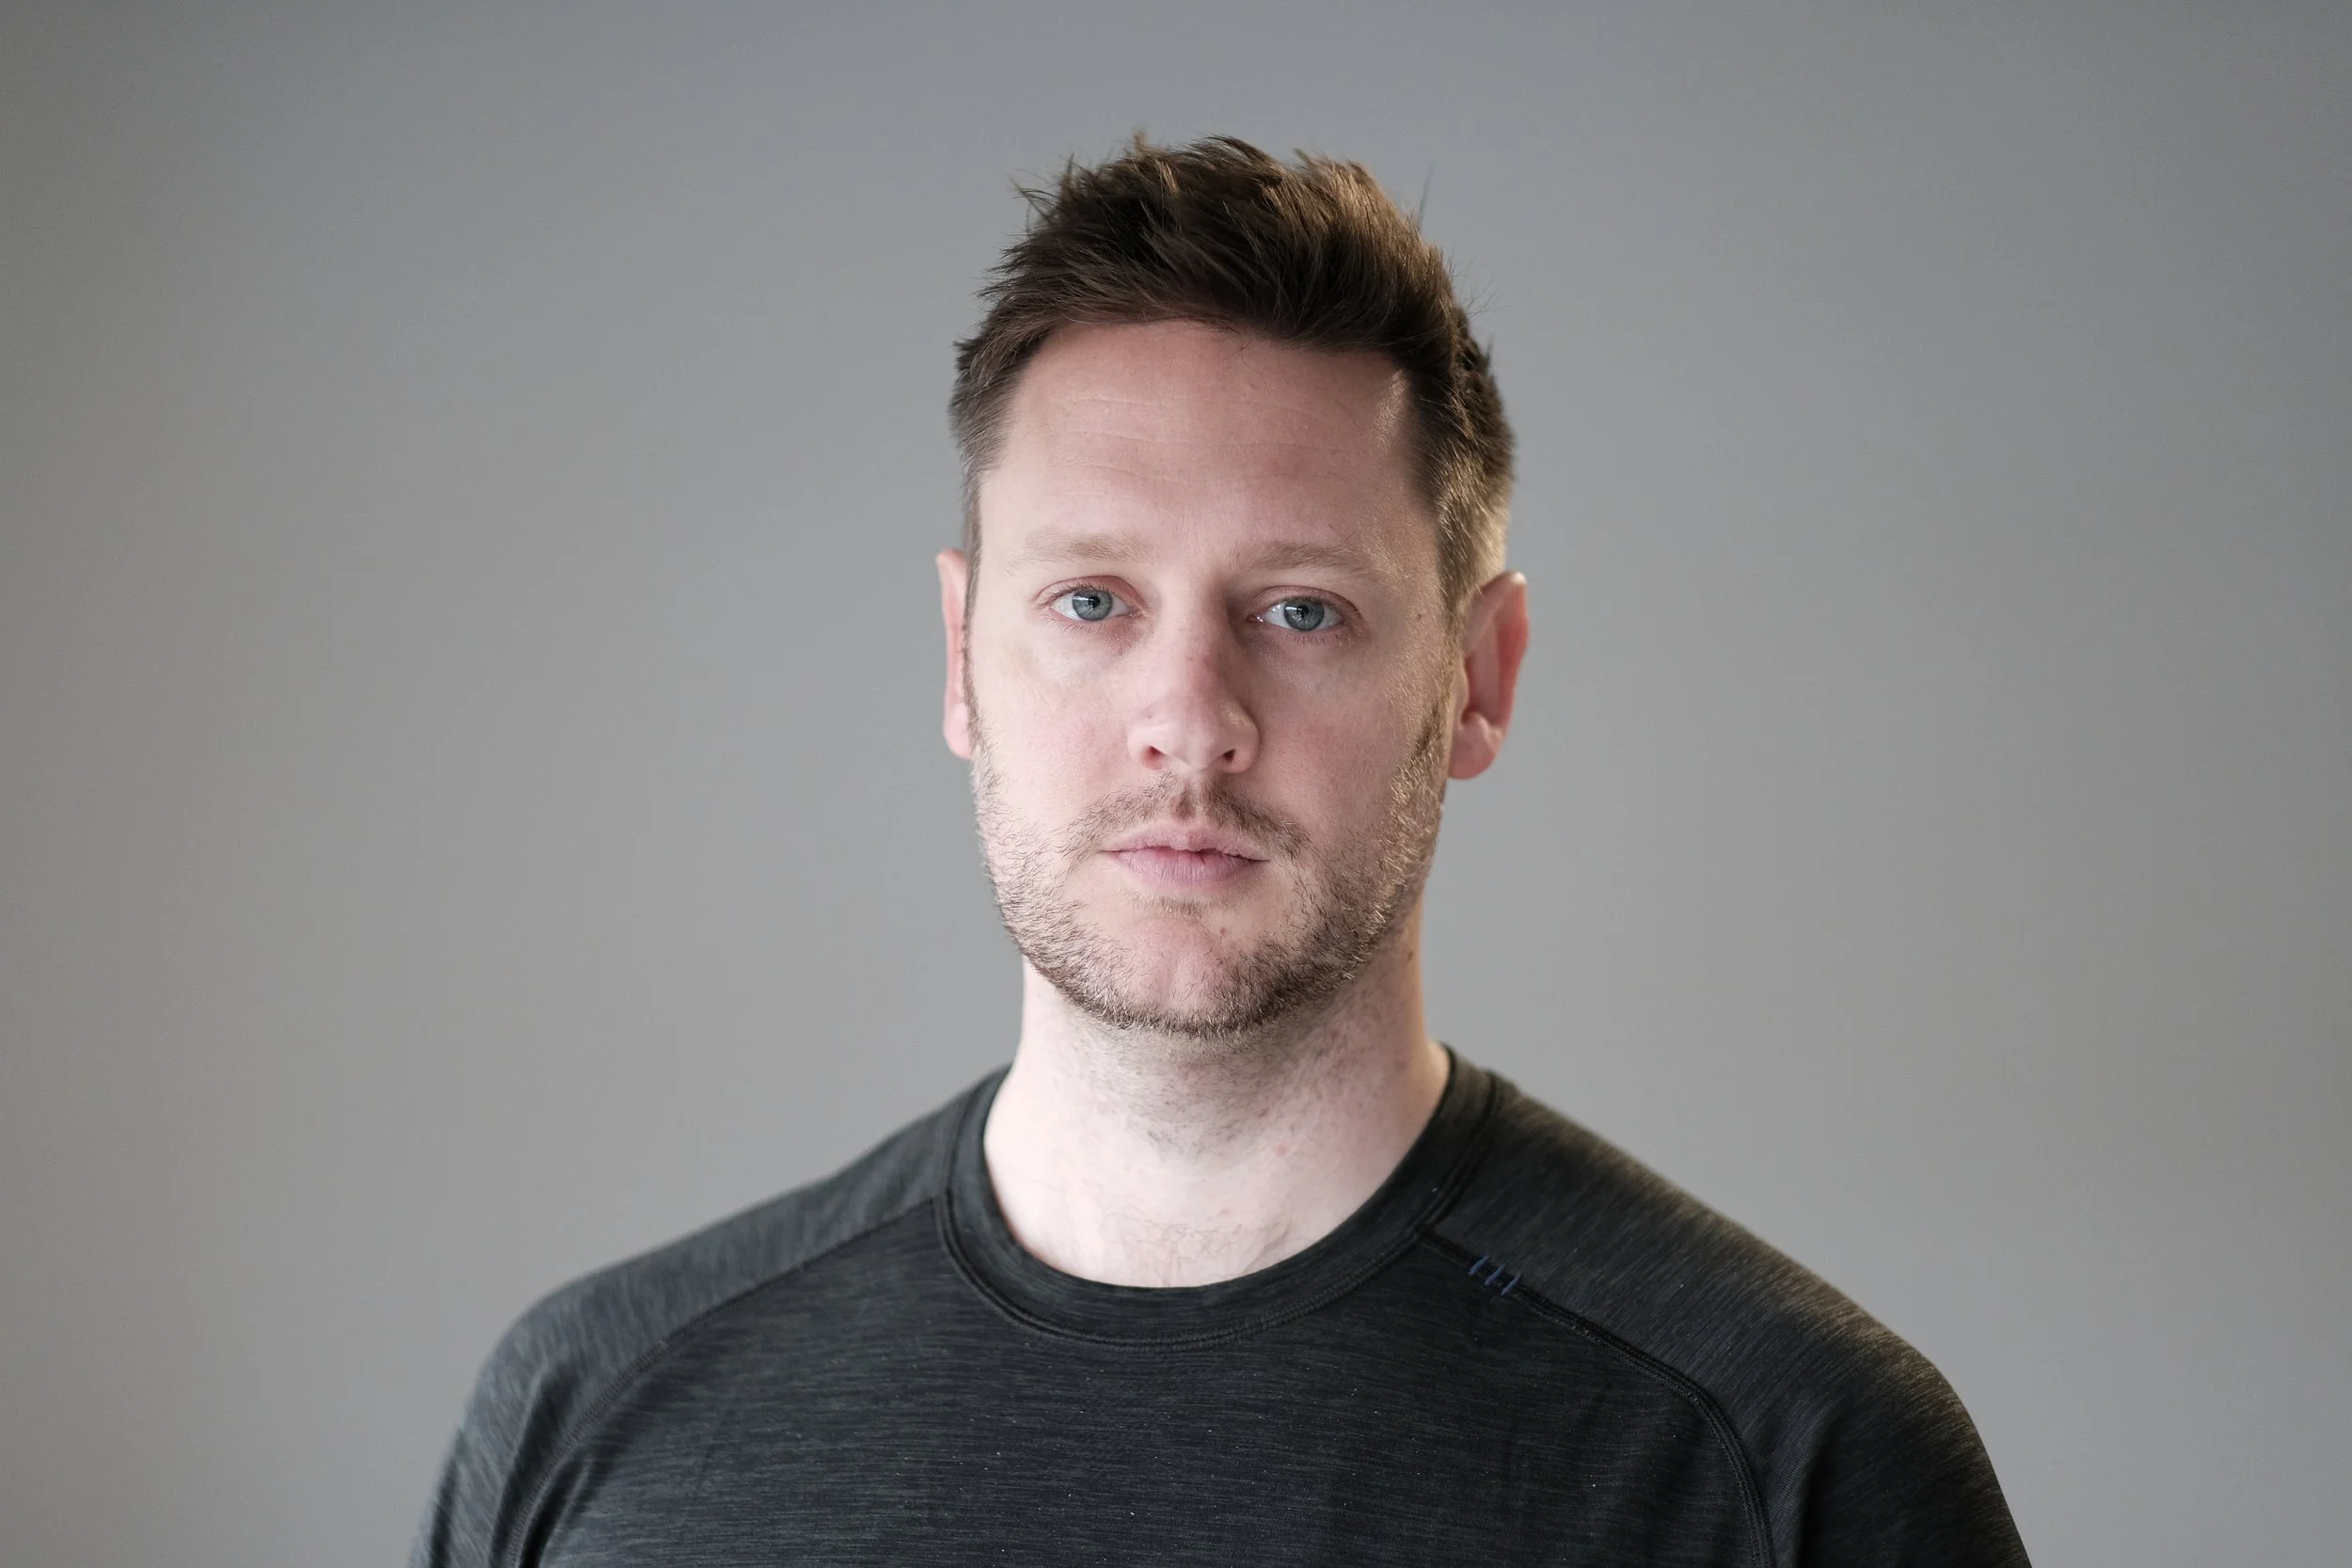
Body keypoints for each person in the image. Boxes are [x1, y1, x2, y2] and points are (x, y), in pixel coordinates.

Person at [411, 135, 2029, 1567]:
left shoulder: (1794, 1461)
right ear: (962, 655)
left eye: (1301, 611)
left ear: (1478, 678)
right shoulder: (591, 1416)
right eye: (1092, 601)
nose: (1189, 721)